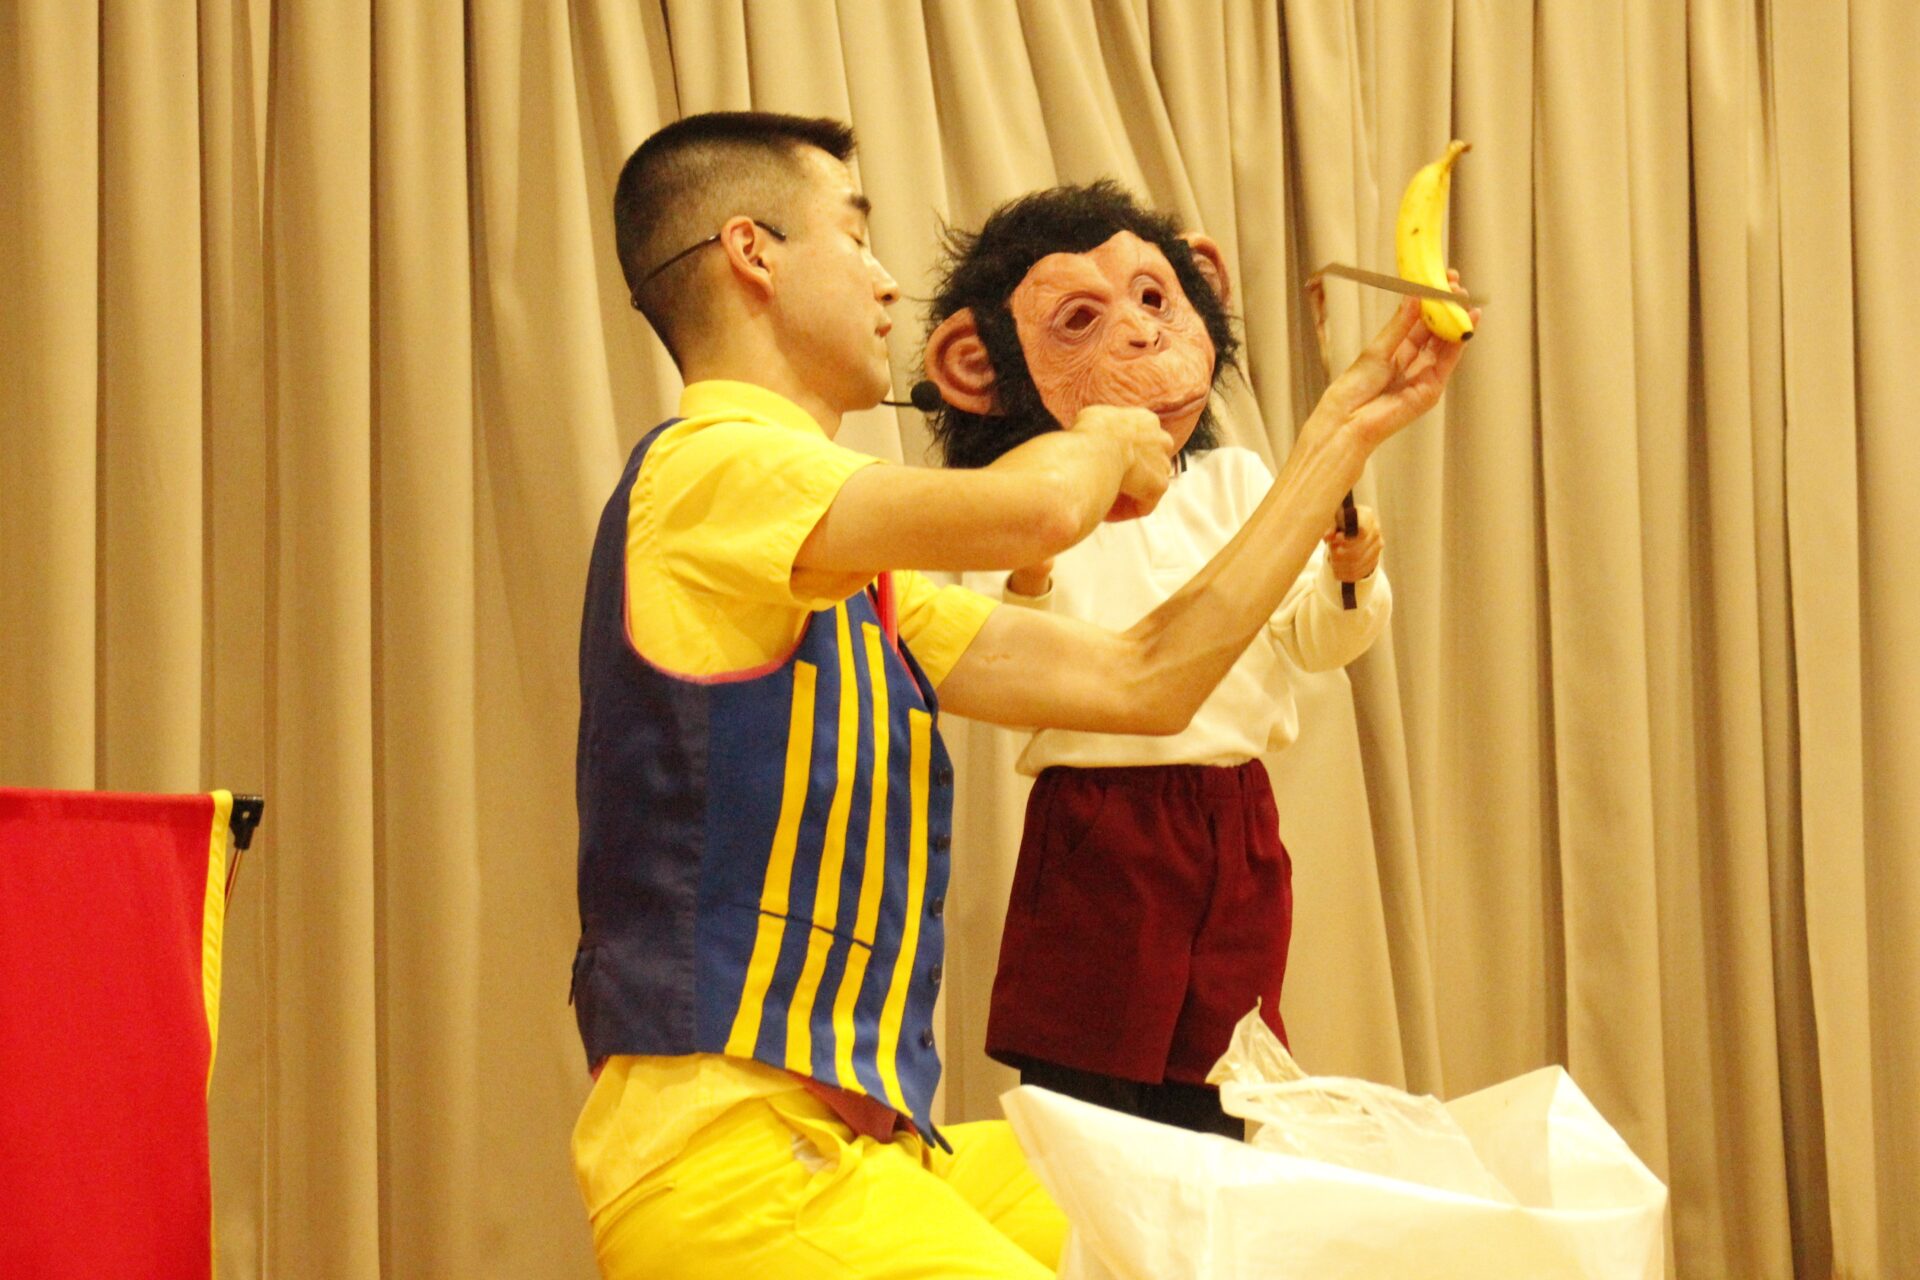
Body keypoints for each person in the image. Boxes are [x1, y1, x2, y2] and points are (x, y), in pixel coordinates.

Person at [571, 111, 1471, 1279]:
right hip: (727, 1155)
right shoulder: (709, 470)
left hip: (870, 1141)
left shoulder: (858, 577)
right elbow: (1038, 509)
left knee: (1233, 1231)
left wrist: (1345, 428)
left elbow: (1145, 680)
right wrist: (1102, 434)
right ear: (754, 252)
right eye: (857, 235)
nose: (886, 282)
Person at [923, 183, 1393, 1137]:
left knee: (1223, 1080)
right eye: (1081, 318)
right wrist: (1032, 560)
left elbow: (1312, 639)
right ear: (977, 364)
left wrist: (1349, 578)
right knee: (1089, 1089)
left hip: (1234, 813)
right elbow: (1002, 668)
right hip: (1101, 819)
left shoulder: (1236, 479)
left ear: (1201, 287)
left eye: (1153, 298)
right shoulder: (1018, 496)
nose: (1140, 334)